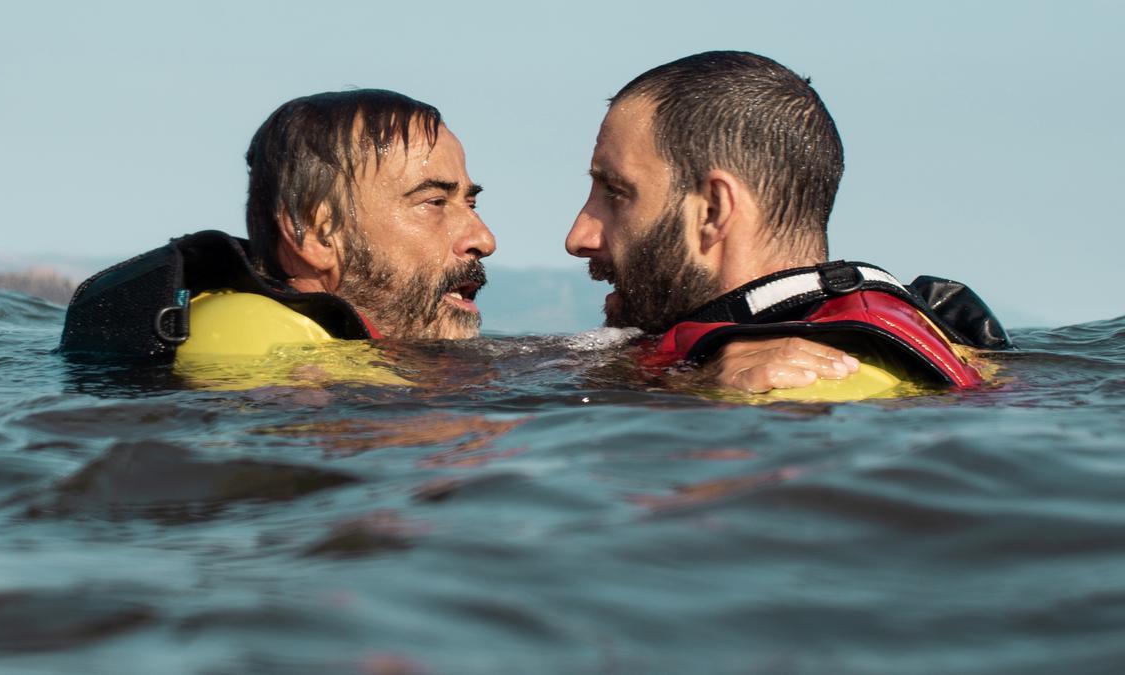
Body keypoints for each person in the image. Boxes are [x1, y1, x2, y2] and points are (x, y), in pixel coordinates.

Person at [565, 51, 1008, 396]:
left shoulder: (799, 389)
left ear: (714, 211)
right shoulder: (714, 365)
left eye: (617, 193)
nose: (578, 238)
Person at [60, 90, 496, 359]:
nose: (483, 238)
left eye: (469, 202)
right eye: (435, 202)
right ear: (317, 233)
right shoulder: (254, 338)